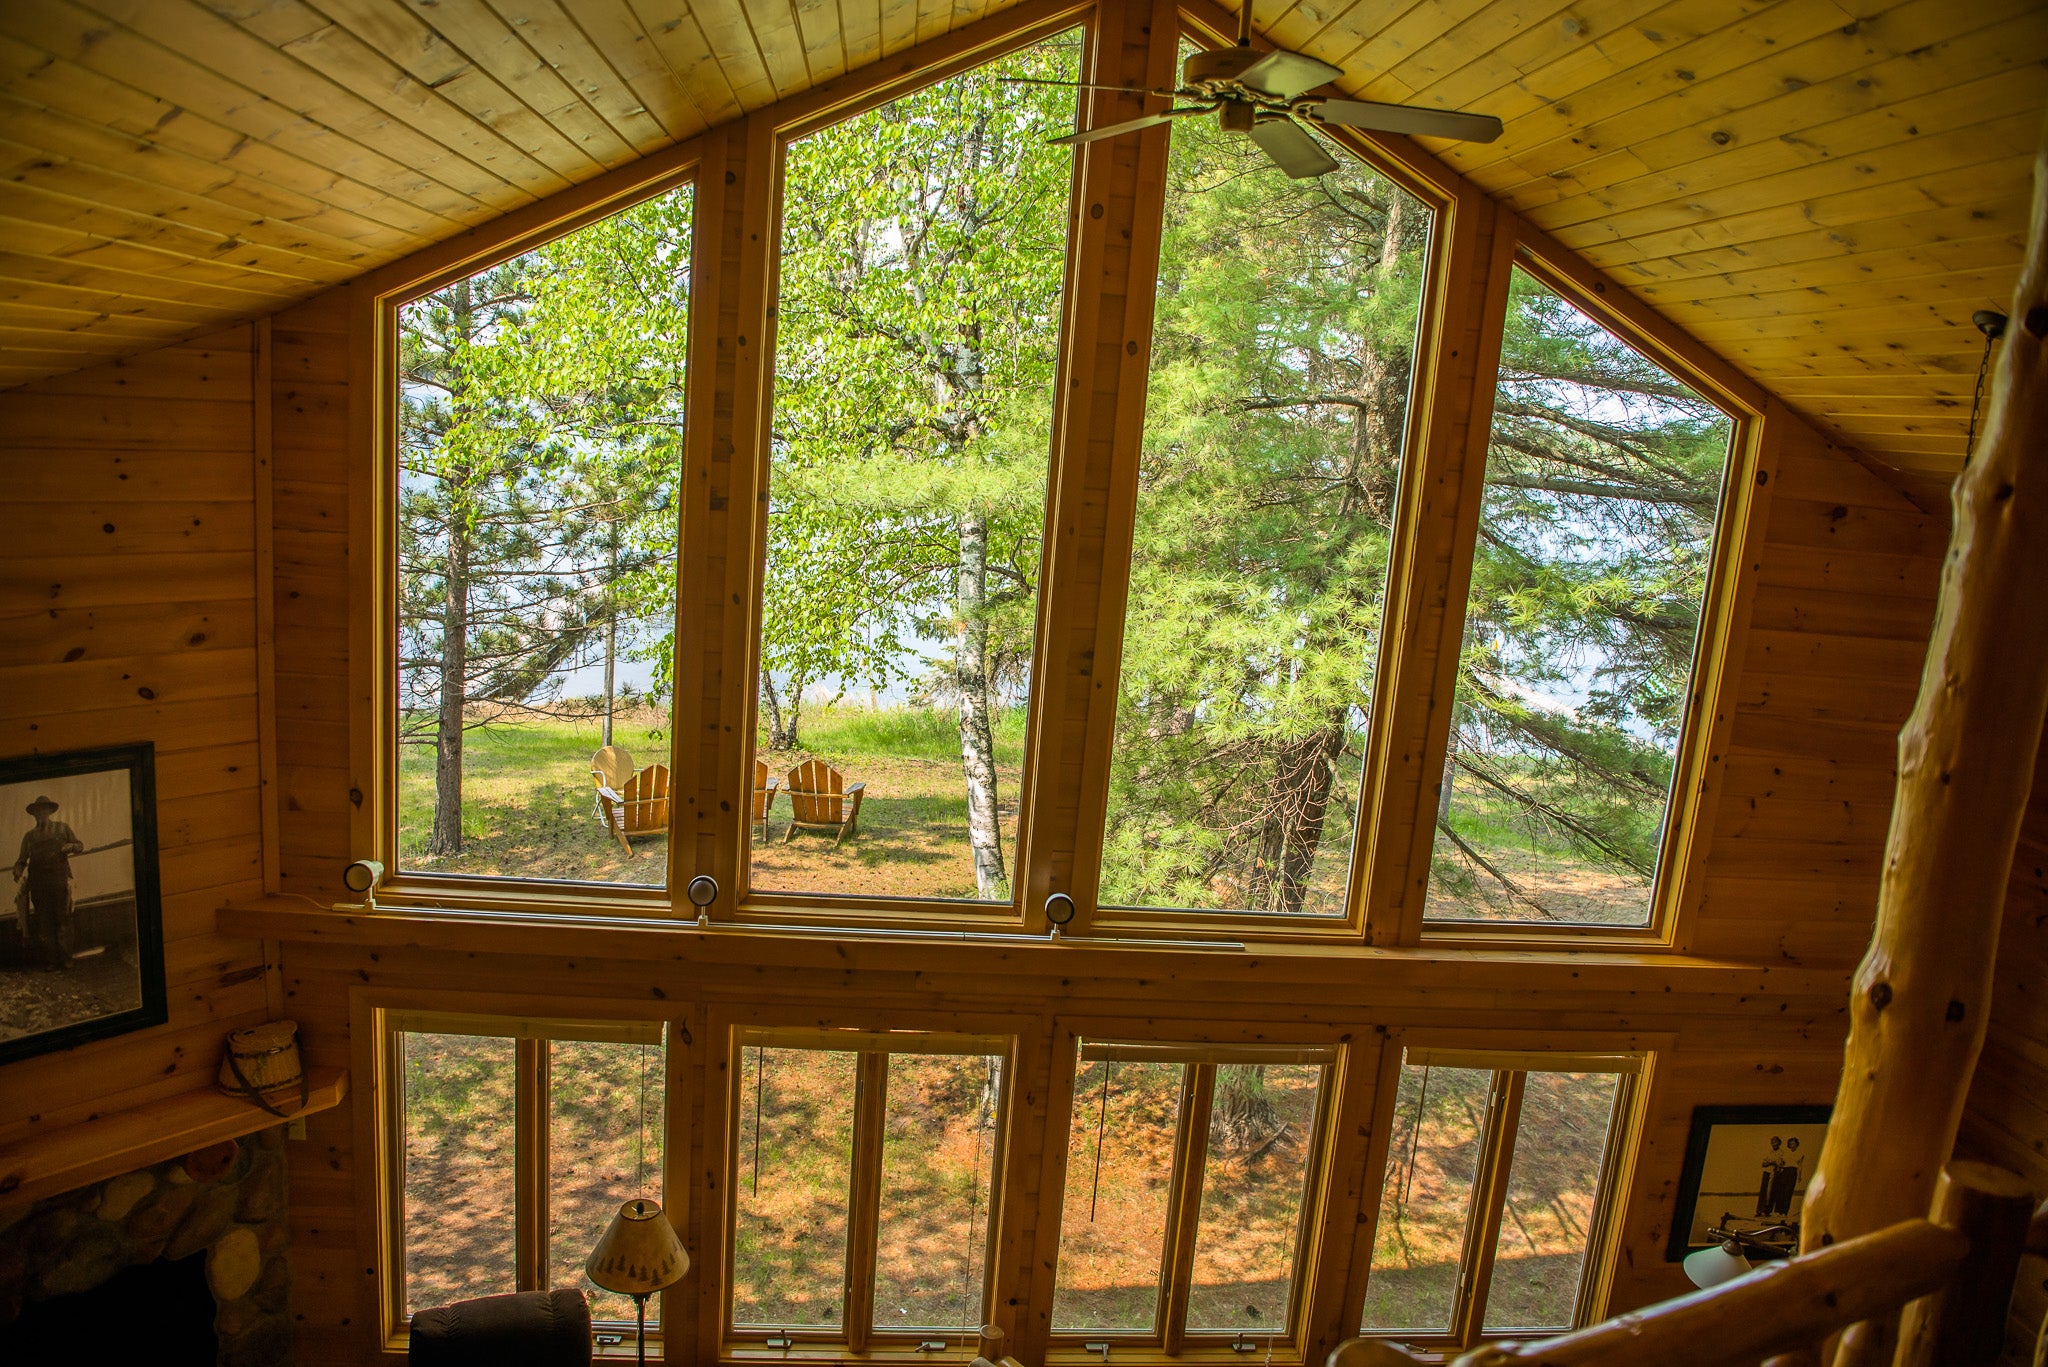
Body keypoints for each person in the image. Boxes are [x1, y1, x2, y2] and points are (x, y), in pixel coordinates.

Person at [12, 795, 85, 971]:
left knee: (63, 920)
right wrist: (17, 869)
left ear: (50, 811)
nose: (41, 813)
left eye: (44, 810)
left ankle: (67, 959)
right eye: (38, 811)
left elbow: (80, 845)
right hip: (38, 885)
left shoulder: (62, 829)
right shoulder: (29, 837)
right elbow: (22, 860)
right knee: (43, 924)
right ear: (34, 814)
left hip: (60, 883)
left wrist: (72, 847)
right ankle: (52, 961)